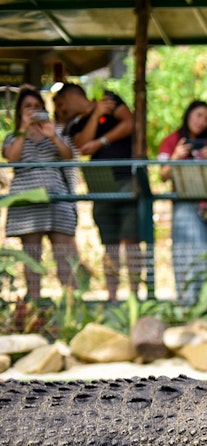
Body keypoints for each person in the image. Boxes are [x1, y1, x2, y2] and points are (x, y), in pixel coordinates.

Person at [55, 82, 141, 302]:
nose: (60, 110)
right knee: (109, 243)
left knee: (130, 239)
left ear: (73, 96)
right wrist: (95, 115)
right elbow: (82, 145)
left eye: (61, 103)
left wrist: (102, 140)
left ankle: (134, 296)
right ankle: (112, 297)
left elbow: (130, 123)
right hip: (100, 183)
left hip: (126, 177)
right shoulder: (74, 125)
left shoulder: (110, 98)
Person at [2, 86, 79, 300]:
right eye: (28, 106)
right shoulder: (12, 136)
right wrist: (24, 128)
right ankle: (34, 303)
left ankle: (72, 303)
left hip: (57, 199)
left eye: (37, 106)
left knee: (65, 254)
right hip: (28, 202)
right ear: (20, 112)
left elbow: (68, 156)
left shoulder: (56, 133)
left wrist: (52, 136)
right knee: (32, 254)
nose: (33, 110)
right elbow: (12, 159)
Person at [158, 100, 207, 304]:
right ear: (188, 115)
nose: (202, 122)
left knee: (205, 252)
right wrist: (176, 156)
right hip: (183, 204)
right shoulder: (172, 140)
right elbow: (163, 175)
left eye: (206, 118)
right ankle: (186, 301)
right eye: (198, 115)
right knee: (184, 254)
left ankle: (205, 303)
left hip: (205, 205)